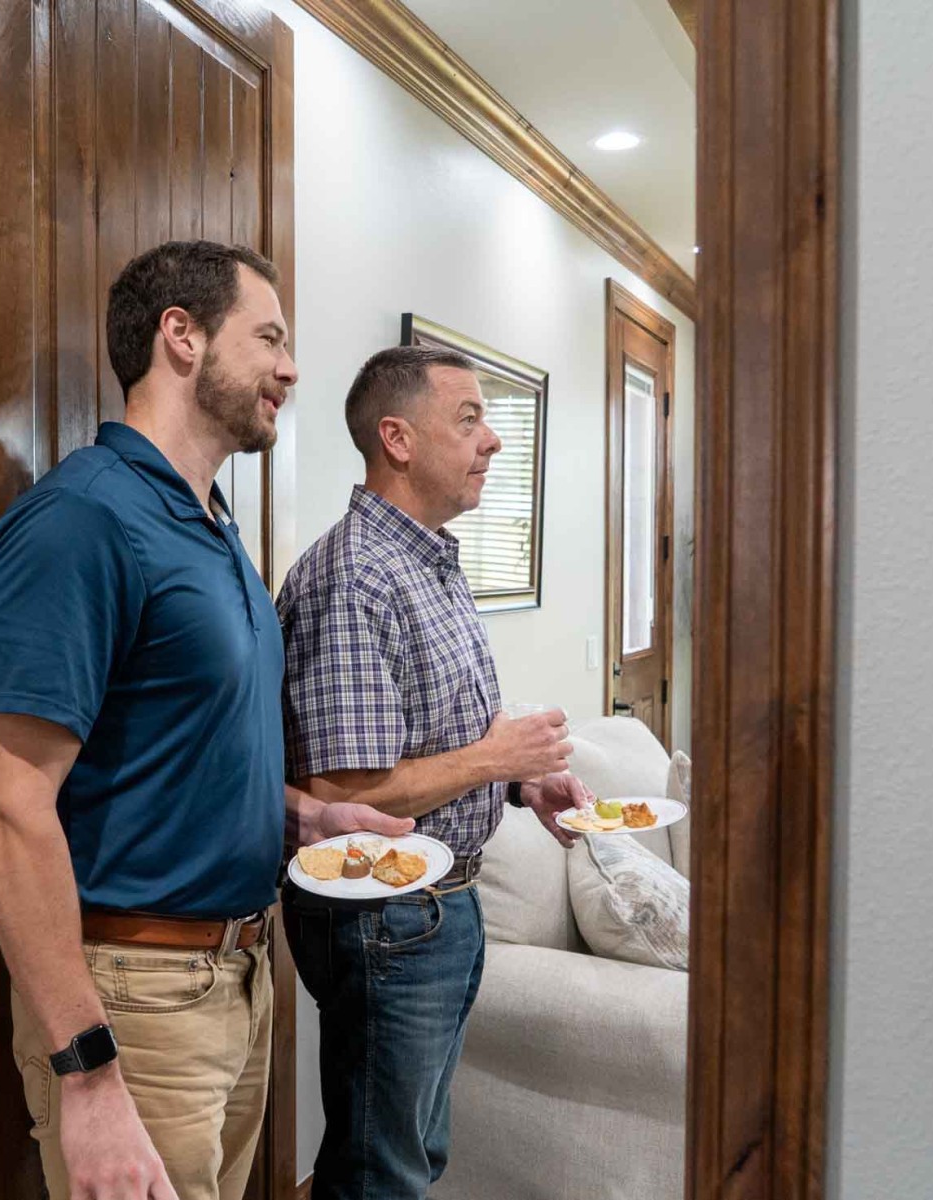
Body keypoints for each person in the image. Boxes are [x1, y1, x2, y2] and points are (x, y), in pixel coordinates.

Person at [0, 240, 412, 1200]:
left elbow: (172, 751)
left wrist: (306, 818)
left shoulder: (209, 522)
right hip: (135, 995)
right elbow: (4, 807)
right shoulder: (82, 520)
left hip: (239, 978)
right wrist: (87, 1072)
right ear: (182, 335)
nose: (291, 368)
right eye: (270, 339)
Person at [277, 344, 595, 1199]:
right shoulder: (355, 576)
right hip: (389, 918)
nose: (493, 439)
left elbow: (431, 734)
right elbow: (346, 798)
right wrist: (500, 757)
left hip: (436, 907)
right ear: (398, 439)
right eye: (470, 418)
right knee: (383, 1174)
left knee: (412, 1154)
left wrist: (520, 782)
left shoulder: (427, 562)